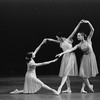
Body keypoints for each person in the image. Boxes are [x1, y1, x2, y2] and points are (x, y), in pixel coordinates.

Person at [46, 21, 82, 94]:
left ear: (60, 37)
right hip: (65, 57)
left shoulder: (68, 39)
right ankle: (69, 88)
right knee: (66, 74)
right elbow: (53, 40)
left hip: (71, 57)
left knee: (65, 73)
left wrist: (79, 23)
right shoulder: (60, 42)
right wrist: (47, 39)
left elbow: (74, 31)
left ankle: (60, 88)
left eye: (57, 38)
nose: (57, 39)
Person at [77, 20, 99, 93]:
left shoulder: (88, 40)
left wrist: (88, 22)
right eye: (77, 36)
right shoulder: (79, 45)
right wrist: (62, 53)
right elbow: (71, 49)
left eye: (79, 35)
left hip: (91, 57)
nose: (77, 37)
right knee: (83, 75)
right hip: (85, 58)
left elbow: (92, 30)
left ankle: (82, 89)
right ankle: (89, 86)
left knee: (86, 75)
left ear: (83, 36)